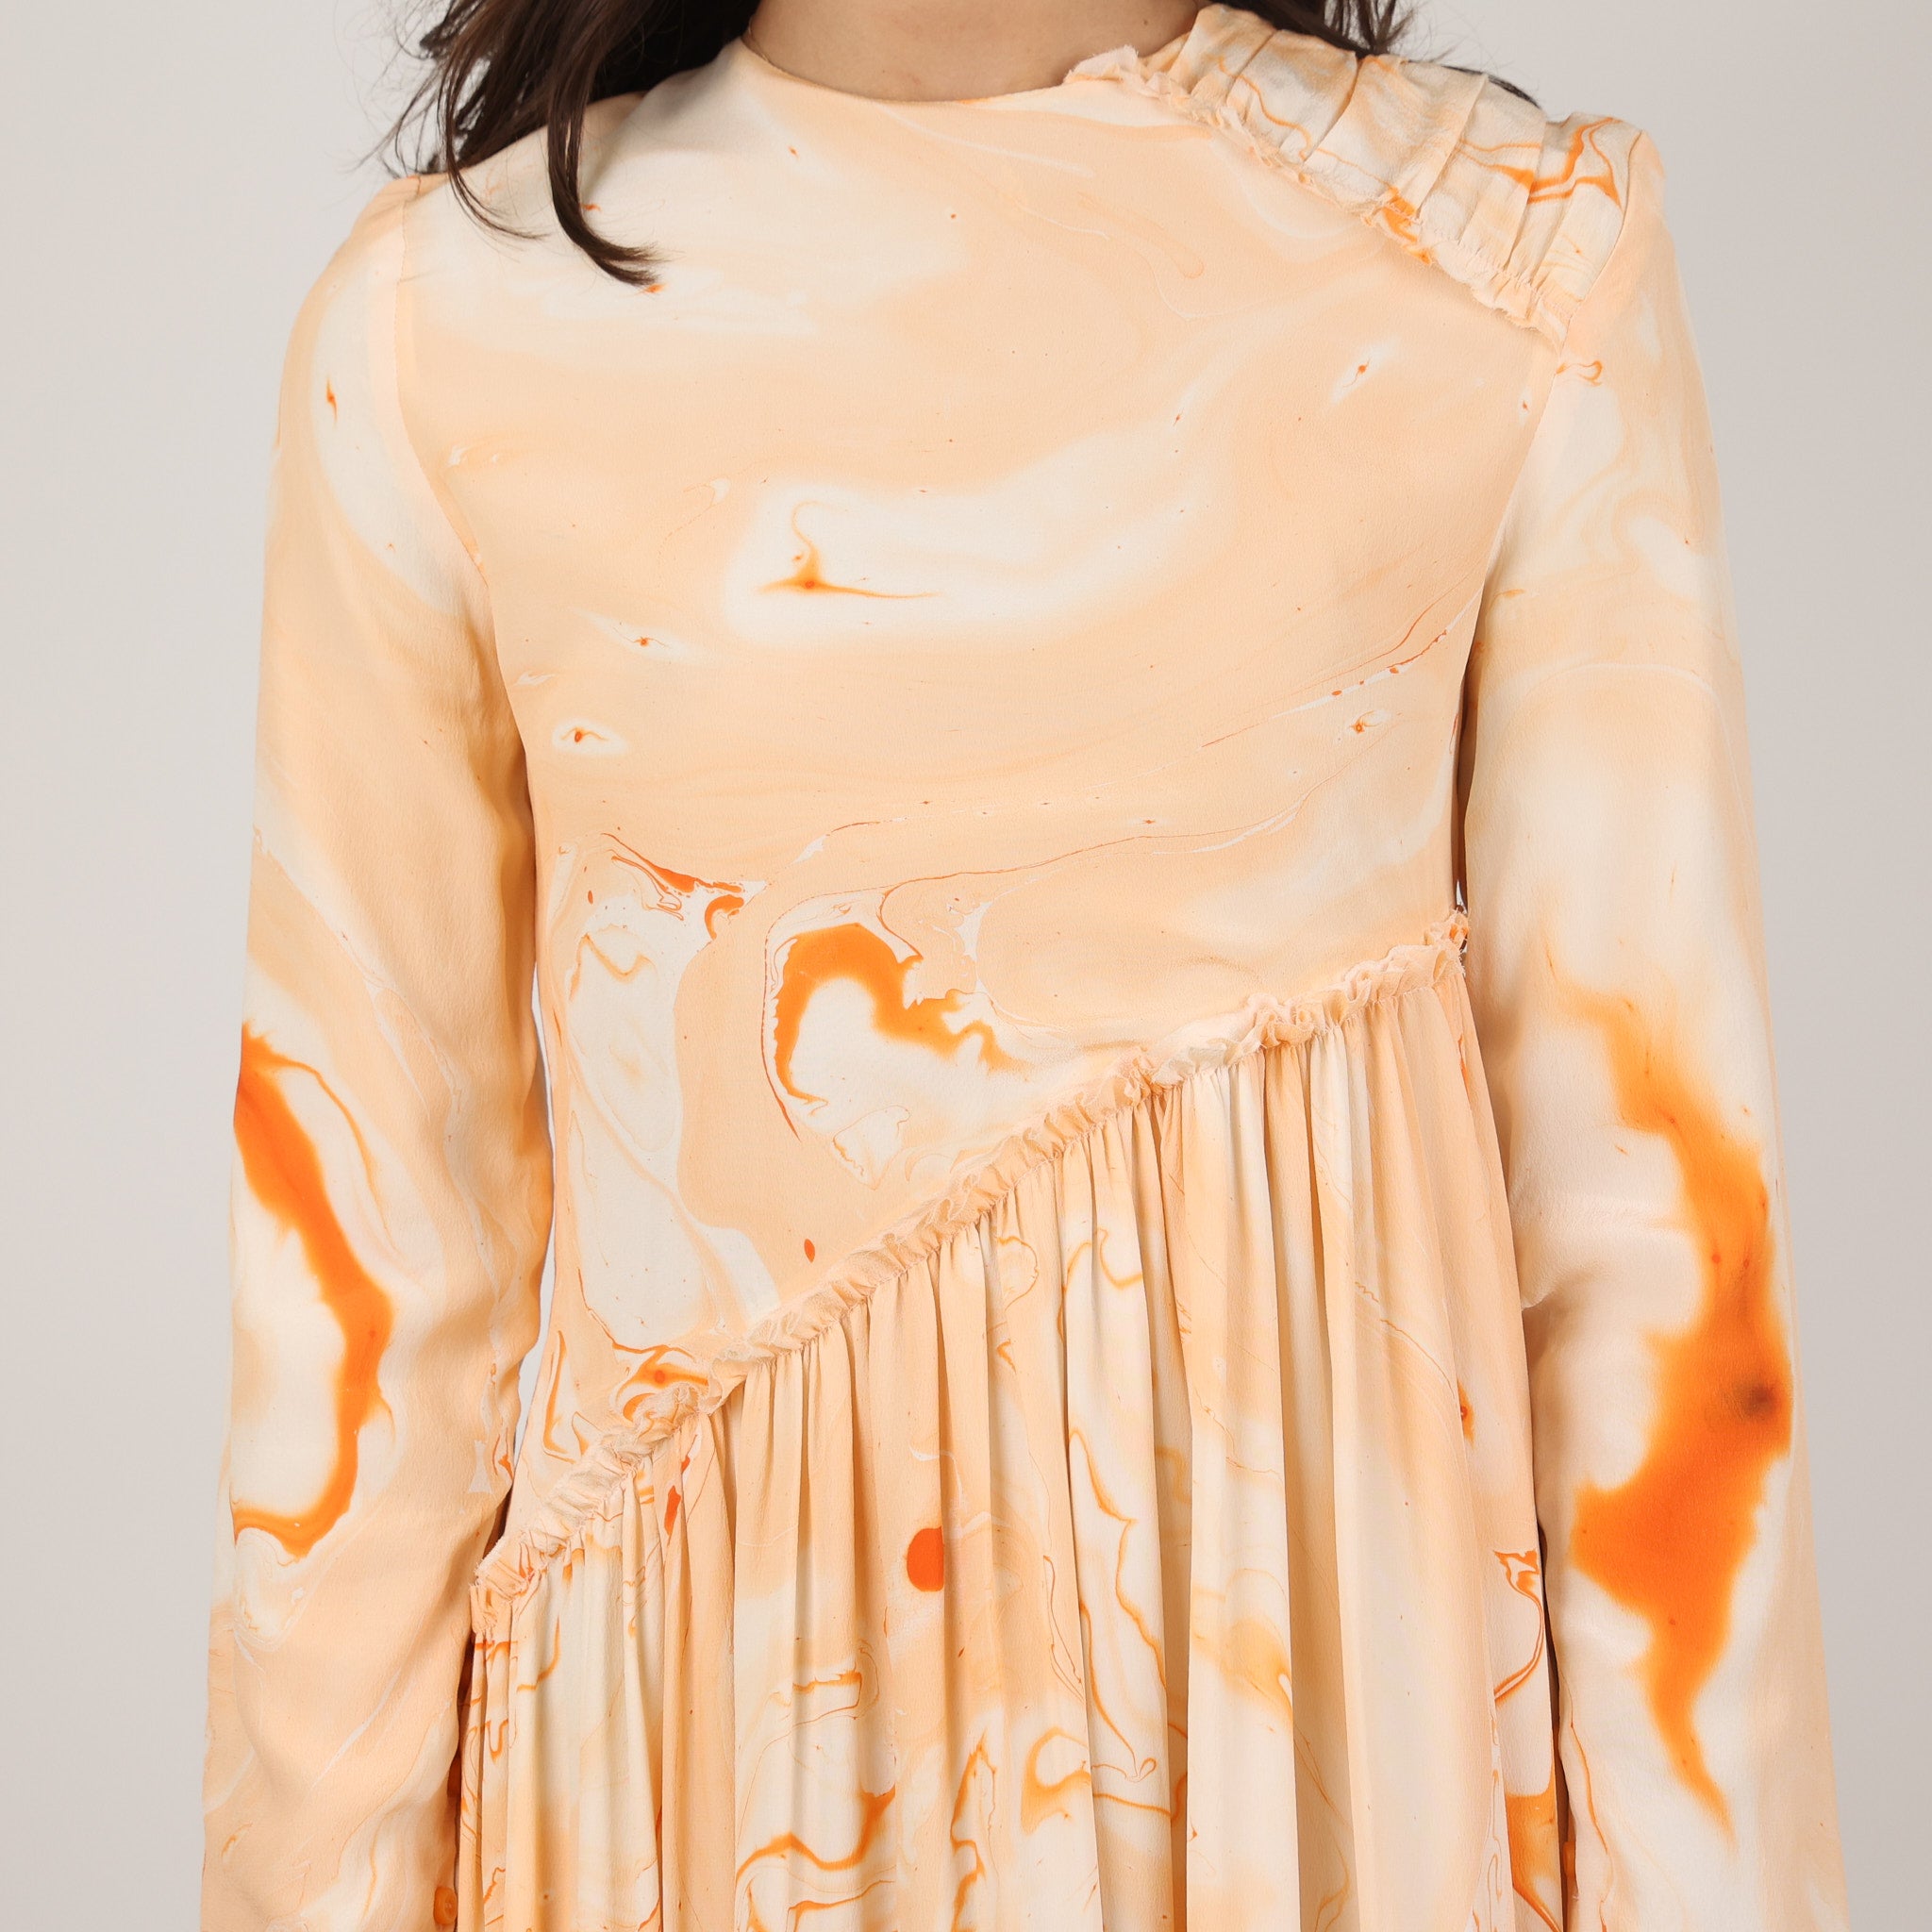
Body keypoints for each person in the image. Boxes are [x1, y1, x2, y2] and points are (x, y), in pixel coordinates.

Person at [201, 3, 1849, 1925]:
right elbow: (368, 1347)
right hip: (708, 1780)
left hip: (1319, 1772)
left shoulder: (1503, 259)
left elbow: (1657, 1280)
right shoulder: (443, 329)